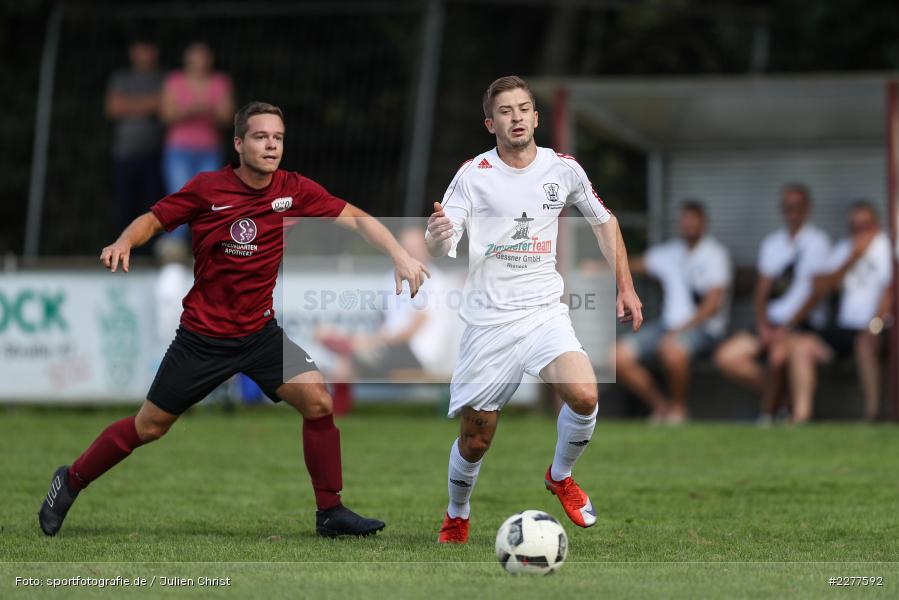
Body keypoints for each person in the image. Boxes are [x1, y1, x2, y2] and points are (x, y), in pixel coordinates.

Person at [38, 101, 430, 538]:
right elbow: (154, 220)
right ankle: (69, 481)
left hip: (260, 335)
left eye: (278, 138)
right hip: (202, 339)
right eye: (261, 137)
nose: (271, 146)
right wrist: (124, 241)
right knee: (149, 426)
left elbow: (355, 217)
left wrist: (400, 254)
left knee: (318, 401)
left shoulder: (293, 189)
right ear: (239, 143)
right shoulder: (207, 189)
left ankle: (330, 512)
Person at [425, 76, 643, 543]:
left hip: (544, 312)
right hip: (489, 322)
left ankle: (560, 476)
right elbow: (444, 238)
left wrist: (625, 286)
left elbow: (604, 223)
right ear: (491, 123)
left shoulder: (563, 169)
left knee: (584, 395)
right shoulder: (474, 174)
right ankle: (457, 512)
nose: (516, 117)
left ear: (537, 117)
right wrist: (437, 236)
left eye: (523, 108)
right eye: (505, 111)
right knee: (476, 439)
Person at [713, 184, 830, 422]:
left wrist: (787, 327)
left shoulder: (819, 242)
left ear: (807, 209)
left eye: (797, 207)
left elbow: (816, 293)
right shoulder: (772, 243)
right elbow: (762, 290)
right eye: (787, 207)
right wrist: (764, 326)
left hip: (802, 325)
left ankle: (769, 413)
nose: (792, 212)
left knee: (778, 358)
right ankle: (782, 401)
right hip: (772, 324)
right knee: (726, 357)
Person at [614, 201, 732, 424]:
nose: (689, 224)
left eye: (694, 219)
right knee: (617, 356)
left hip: (703, 329)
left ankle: (679, 410)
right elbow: (634, 265)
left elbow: (712, 306)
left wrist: (679, 331)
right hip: (666, 326)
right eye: (685, 219)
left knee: (672, 351)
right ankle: (661, 407)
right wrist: (599, 266)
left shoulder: (715, 254)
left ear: (704, 223)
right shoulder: (670, 252)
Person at [782, 201, 893, 422]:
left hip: (877, 325)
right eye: (854, 226)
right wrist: (852, 257)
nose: (859, 230)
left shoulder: (887, 248)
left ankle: (872, 413)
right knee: (800, 346)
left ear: (876, 224)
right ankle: (801, 415)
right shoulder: (844, 248)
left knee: (864, 343)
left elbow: (890, 292)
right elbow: (824, 286)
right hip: (845, 326)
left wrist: (875, 326)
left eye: (865, 225)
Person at [105, 41, 165, 233]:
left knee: (153, 206)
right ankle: (124, 244)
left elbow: (163, 104)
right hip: (125, 152)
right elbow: (113, 108)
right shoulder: (121, 78)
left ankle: (151, 246)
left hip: (156, 151)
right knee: (125, 204)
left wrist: (128, 104)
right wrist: (150, 103)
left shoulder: (163, 78)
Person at [160, 42, 235, 196]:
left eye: (203, 57)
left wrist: (208, 111)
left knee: (207, 199)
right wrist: (189, 112)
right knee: (180, 198)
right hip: (179, 150)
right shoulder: (175, 80)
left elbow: (227, 118)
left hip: (209, 149)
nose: (200, 62)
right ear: (187, 60)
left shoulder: (220, 82)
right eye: (196, 57)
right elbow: (165, 115)